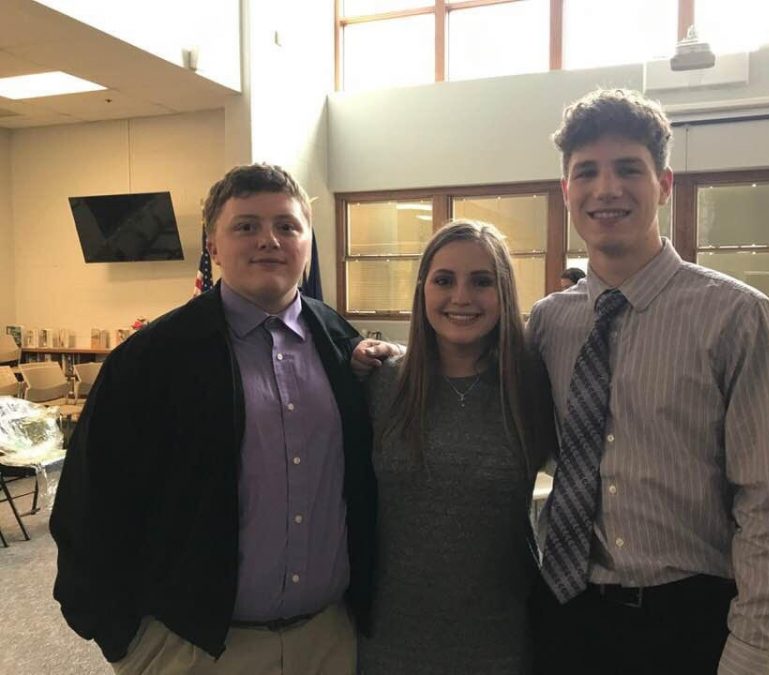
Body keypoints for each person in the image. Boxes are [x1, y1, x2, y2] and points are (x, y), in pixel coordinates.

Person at [528, 89, 769, 675]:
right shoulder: (549, 322)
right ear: (566, 192)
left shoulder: (735, 316)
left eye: (628, 169)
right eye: (587, 172)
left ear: (664, 183)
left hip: (684, 621)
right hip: (562, 611)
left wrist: (756, 651)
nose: (606, 188)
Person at [51, 163, 377, 674]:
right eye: (246, 226)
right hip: (194, 649)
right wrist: (125, 643)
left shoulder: (337, 340)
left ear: (308, 242)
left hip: (329, 641)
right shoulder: (150, 359)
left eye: (287, 226)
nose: (269, 240)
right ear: (215, 246)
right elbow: (88, 506)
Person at [357, 220, 554, 675]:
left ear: (504, 293)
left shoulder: (532, 385)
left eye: (482, 281)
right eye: (444, 280)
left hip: (502, 638)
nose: (461, 297)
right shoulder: (381, 382)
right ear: (423, 289)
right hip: (389, 636)